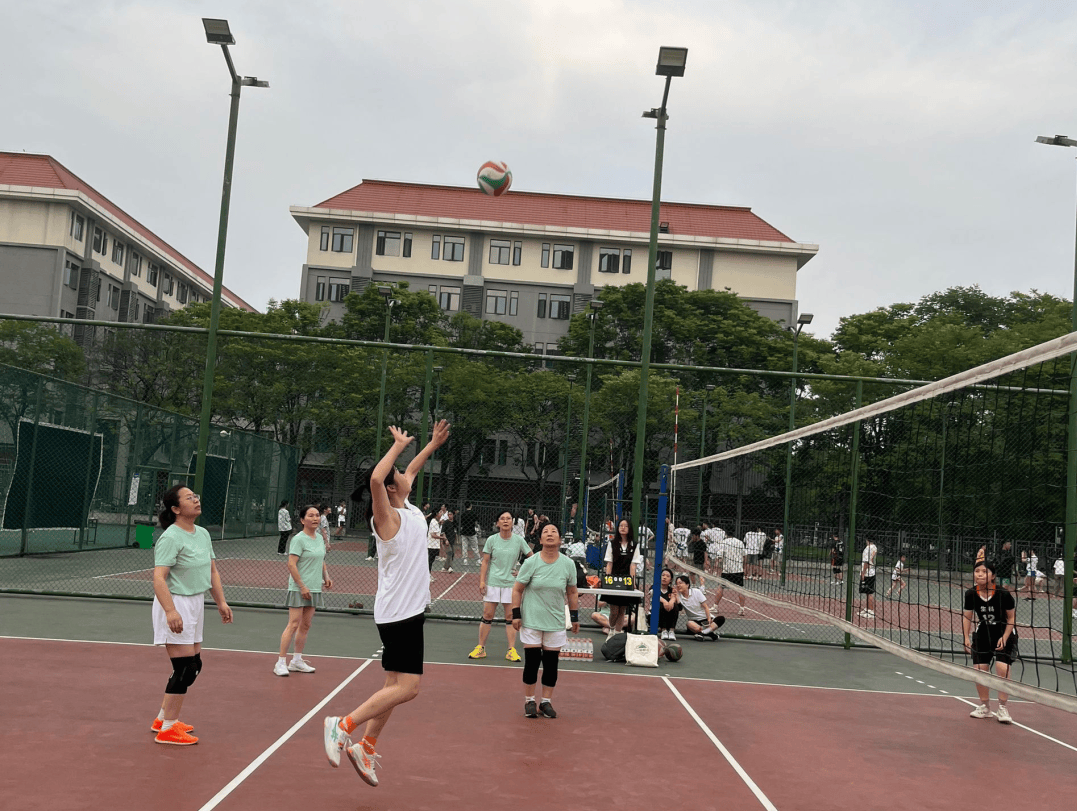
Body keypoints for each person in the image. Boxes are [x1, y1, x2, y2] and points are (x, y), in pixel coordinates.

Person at [323, 419, 450, 787]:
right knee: (409, 688)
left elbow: (409, 469)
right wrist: (396, 445)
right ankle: (342, 725)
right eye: (400, 474)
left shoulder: (408, 507)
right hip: (399, 614)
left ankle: (366, 746)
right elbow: (377, 480)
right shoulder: (388, 518)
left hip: (405, 612)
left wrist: (431, 446)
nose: (407, 475)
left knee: (393, 686)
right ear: (395, 485)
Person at [150, 485, 233, 745]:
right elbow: (158, 577)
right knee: (185, 669)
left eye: (195, 496)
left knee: (194, 665)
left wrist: (220, 602)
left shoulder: (203, 534)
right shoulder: (171, 537)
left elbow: (212, 572)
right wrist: (171, 611)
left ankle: (162, 718)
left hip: (196, 602)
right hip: (176, 603)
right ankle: (168, 729)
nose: (195, 499)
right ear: (175, 509)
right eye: (189, 498)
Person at [511, 522, 580, 719]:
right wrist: (516, 614)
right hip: (532, 620)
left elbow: (572, 592)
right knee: (532, 662)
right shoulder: (531, 563)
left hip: (555, 622)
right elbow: (517, 589)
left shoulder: (568, 564)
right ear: (540, 539)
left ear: (559, 539)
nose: (550, 534)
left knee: (551, 664)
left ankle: (546, 702)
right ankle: (529, 700)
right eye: (545, 532)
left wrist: (574, 617)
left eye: (554, 532)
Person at [275, 505, 333, 676]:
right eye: (311, 516)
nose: (315, 518)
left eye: (317, 515)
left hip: (314, 588)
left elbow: (320, 559)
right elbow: (291, 564)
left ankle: (296, 660)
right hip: (299, 588)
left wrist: (326, 576)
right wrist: (302, 586)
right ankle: (280, 662)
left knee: (306, 625)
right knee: (293, 624)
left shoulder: (319, 539)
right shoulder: (299, 539)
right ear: (302, 520)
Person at [469, 509, 532, 662]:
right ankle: (481, 648)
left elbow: (531, 557)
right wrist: (482, 581)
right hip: (493, 583)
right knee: (487, 615)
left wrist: (523, 572)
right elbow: (485, 562)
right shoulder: (492, 540)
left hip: (511, 584)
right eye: (502, 518)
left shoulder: (519, 540)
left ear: (512, 522)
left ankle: (511, 650)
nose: (505, 521)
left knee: (510, 617)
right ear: (497, 523)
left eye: (508, 518)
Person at [963, 559, 1017, 724]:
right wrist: (965, 637)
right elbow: (967, 616)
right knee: (980, 670)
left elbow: (1011, 618)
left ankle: (1002, 707)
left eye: (984, 571)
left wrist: (1005, 637)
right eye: (977, 571)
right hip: (983, 633)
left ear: (992, 575)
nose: (979, 574)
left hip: (1004, 632)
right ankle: (985, 707)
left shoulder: (1003, 594)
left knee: (1002, 668)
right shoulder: (971, 594)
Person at [603, 519, 643, 639]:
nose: (623, 527)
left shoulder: (634, 545)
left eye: (626, 526)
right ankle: (611, 630)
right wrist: (607, 581)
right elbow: (609, 564)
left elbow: (633, 565)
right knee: (614, 610)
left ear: (629, 528)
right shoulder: (612, 543)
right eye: (621, 525)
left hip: (626, 580)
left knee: (622, 610)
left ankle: (617, 634)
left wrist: (632, 582)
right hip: (614, 579)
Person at [673, 575, 724, 640]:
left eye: (680, 583)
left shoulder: (696, 592)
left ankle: (702, 633)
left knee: (721, 619)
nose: (678, 585)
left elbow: (706, 607)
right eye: (677, 584)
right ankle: (709, 632)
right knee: (689, 624)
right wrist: (676, 595)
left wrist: (709, 620)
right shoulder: (678, 596)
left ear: (687, 585)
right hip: (694, 621)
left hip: (704, 618)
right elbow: (680, 608)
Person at [714, 531, 747, 616]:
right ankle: (742, 609)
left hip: (727, 570)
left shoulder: (724, 542)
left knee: (721, 587)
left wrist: (718, 563)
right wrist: (744, 567)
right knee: (740, 589)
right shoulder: (740, 542)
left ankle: (715, 607)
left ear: (726, 534)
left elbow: (720, 555)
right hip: (738, 569)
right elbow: (744, 556)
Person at [653, 567, 681, 640]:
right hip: (656, 618)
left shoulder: (672, 590)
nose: (664, 577)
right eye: (663, 575)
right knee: (661, 604)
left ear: (671, 580)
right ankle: (663, 630)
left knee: (675, 606)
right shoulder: (654, 587)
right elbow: (655, 595)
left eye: (667, 576)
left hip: (669, 617)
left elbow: (680, 606)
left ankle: (671, 631)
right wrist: (665, 601)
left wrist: (672, 600)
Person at [858, 536, 878, 618]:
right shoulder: (874, 547)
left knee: (869, 592)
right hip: (872, 571)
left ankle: (871, 611)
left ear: (867, 540)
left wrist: (863, 573)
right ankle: (867, 609)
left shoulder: (867, 549)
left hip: (867, 573)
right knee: (867, 591)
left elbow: (866, 562)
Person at [426, 507, 444, 581]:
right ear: (436, 514)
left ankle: (428, 575)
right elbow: (433, 535)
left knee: (431, 561)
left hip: (434, 545)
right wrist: (442, 538)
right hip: (431, 545)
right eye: (439, 512)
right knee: (430, 561)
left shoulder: (435, 522)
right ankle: (427, 575)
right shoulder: (434, 522)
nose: (441, 514)